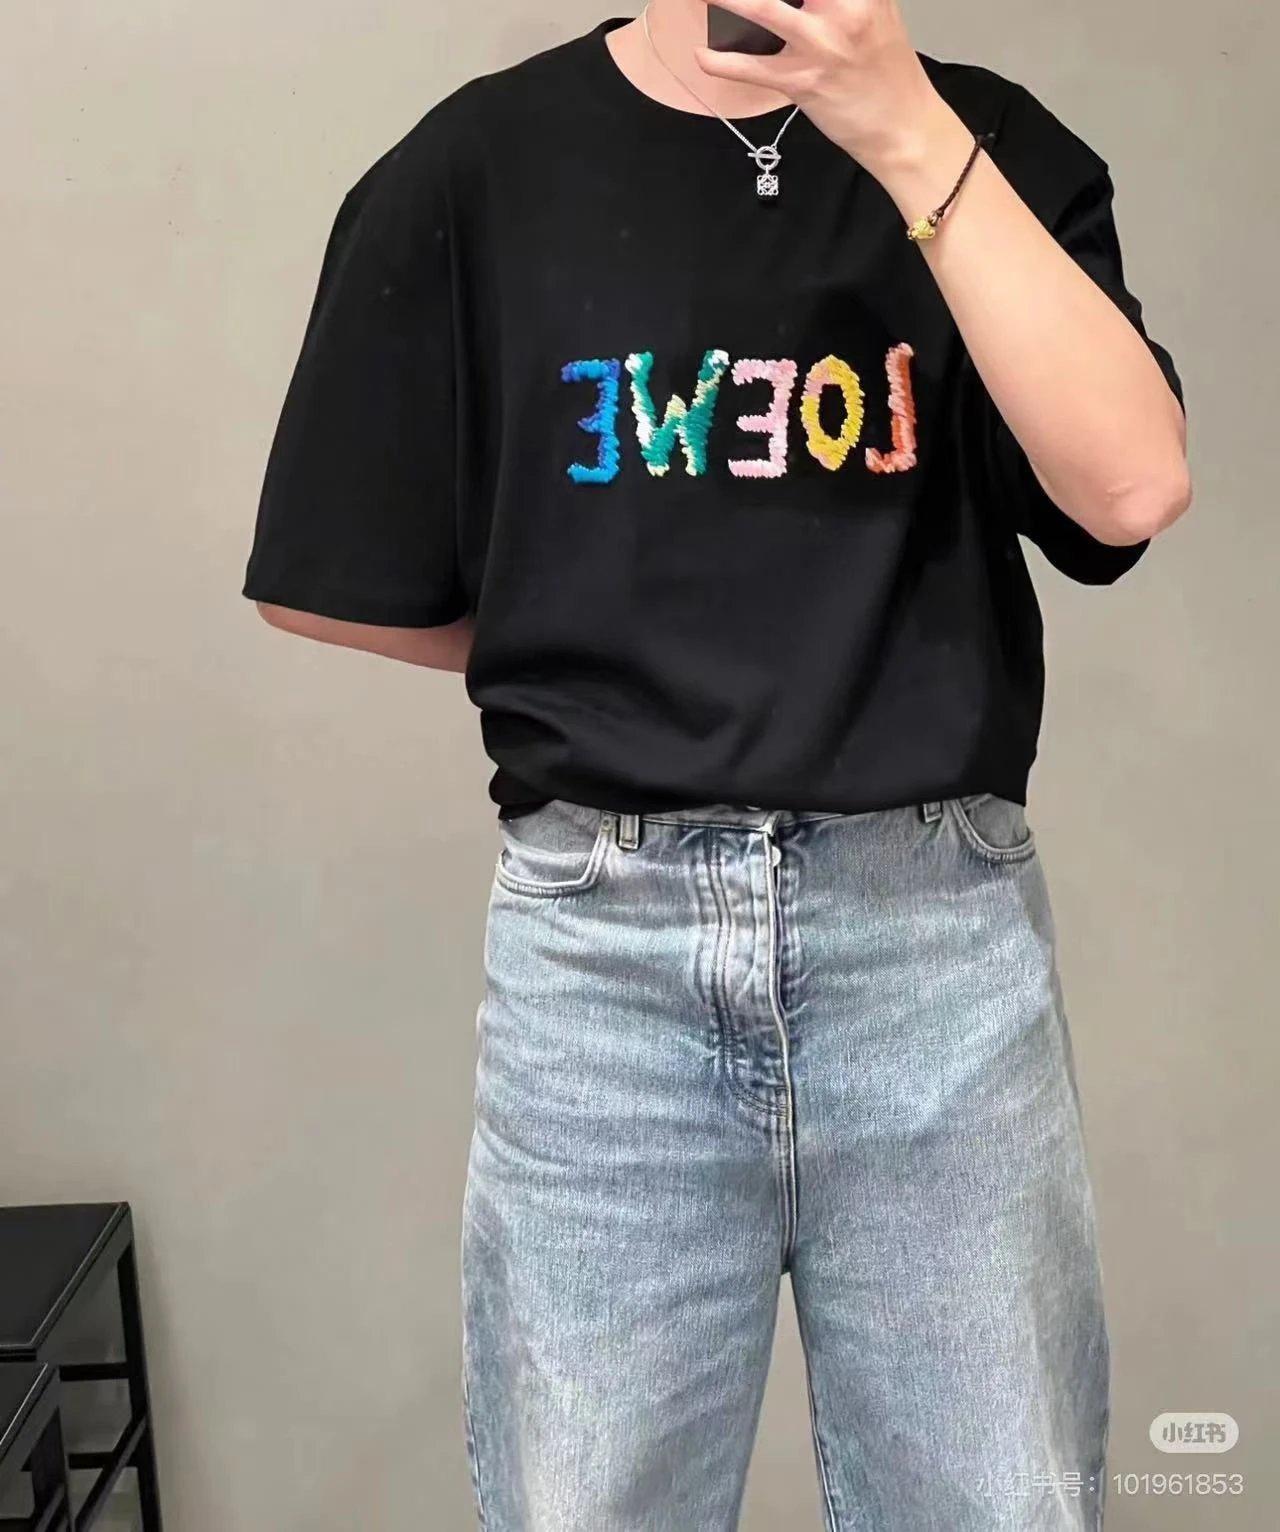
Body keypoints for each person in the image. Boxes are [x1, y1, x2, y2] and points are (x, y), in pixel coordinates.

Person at [242, 0, 1190, 1525]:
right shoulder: (480, 168)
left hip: (933, 945)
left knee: (1003, 1502)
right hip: (603, 963)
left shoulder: (989, 146)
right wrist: (587, 643)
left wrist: (905, 131)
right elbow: (326, 562)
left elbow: (1132, 485)